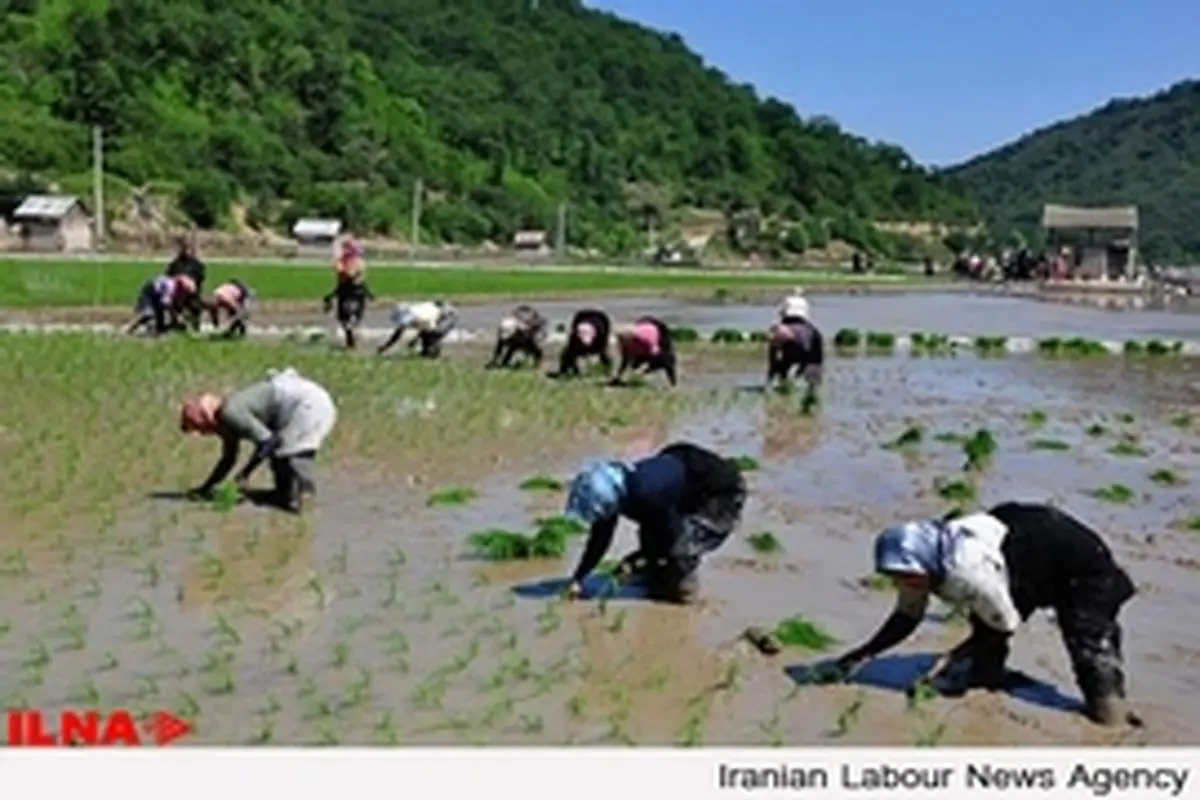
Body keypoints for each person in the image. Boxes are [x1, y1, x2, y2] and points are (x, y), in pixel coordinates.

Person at [828, 502, 1140, 727]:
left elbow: (1006, 623)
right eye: (897, 577)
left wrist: (950, 658)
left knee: (1088, 640)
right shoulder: (920, 563)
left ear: (924, 565)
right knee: (983, 615)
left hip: (1072, 560)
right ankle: (987, 674)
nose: (905, 584)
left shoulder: (967, 571)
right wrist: (860, 655)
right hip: (1015, 549)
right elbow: (906, 618)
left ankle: (1111, 713)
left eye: (908, 577)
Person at [562, 442, 747, 604]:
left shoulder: (647, 493)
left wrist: (639, 560)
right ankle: (655, 575)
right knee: (652, 538)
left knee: (680, 551)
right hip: (682, 481)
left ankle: (684, 594)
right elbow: (600, 538)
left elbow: (670, 534)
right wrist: (579, 578)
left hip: (719, 491)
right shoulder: (617, 493)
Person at [179, 368, 338, 513]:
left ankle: (305, 494)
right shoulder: (227, 421)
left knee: (293, 453)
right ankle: (285, 495)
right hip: (297, 406)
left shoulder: (230, 413)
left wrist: (245, 473)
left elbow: (269, 442)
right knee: (281, 455)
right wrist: (205, 489)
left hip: (308, 405)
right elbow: (228, 459)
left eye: (200, 428)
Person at [766, 308, 824, 397]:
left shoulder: (785, 334)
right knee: (787, 366)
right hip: (805, 342)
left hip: (806, 344)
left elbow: (773, 360)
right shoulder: (785, 331)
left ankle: (808, 390)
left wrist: (769, 380)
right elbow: (773, 359)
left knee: (810, 372)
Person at [378, 300, 458, 359]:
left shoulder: (422, 316)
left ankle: (434, 354)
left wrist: (414, 341)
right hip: (437, 314)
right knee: (425, 341)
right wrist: (386, 346)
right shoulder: (411, 314)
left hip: (449, 315)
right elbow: (398, 332)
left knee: (432, 336)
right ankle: (428, 353)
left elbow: (429, 329)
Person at [612, 317, 677, 387]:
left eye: (623, 341)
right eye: (620, 341)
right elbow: (625, 360)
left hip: (658, 330)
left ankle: (673, 383)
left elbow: (655, 354)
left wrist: (645, 367)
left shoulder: (644, 340)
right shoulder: (624, 342)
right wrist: (618, 376)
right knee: (636, 364)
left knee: (666, 360)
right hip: (642, 326)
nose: (621, 343)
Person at [551, 308, 612, 378]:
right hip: (590, 335)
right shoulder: (576, 335)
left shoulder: (598, 332)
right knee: (568, 354)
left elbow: (603, 342)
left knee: (602, 353)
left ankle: (606, 371)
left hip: (596, 337)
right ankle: (568, 371)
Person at [128, 274, 194, 336]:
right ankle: (131, 329)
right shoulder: (170, 287)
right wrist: (176, 317)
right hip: (150, 292)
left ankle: (158, 331)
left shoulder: (179, 290)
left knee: (161, 317)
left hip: (159, 293)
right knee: (150, 314)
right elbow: (167, 304)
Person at [323, 272, 375, 350]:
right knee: (347, 326)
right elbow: (330, 296)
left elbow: (370, 296)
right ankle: (351, 343)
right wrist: (328, 302)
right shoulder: (344, 286)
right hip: (345, 310)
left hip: (355, 310)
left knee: (349, 326)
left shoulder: (360, 286)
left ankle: (352, 344)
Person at [165, 238, 207, 331]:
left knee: (195, 308)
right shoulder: (175, 264)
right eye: (183, 249)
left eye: (187, 249)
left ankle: (196, 327)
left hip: (192, 294)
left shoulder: (197, 264)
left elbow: (201, 279)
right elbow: (169, 278)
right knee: (175, 309)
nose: (185, 251)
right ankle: (176, 326)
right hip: (177, 293)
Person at [487, 304, 548, 369]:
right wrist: (494, 360)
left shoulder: (526, 327)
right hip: (521, 329)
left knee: (533, 346)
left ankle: (537, 365)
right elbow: (499, 346)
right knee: (513, 345)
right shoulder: (505, 326)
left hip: (535, 329)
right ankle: (505, 362)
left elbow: (535, 345)